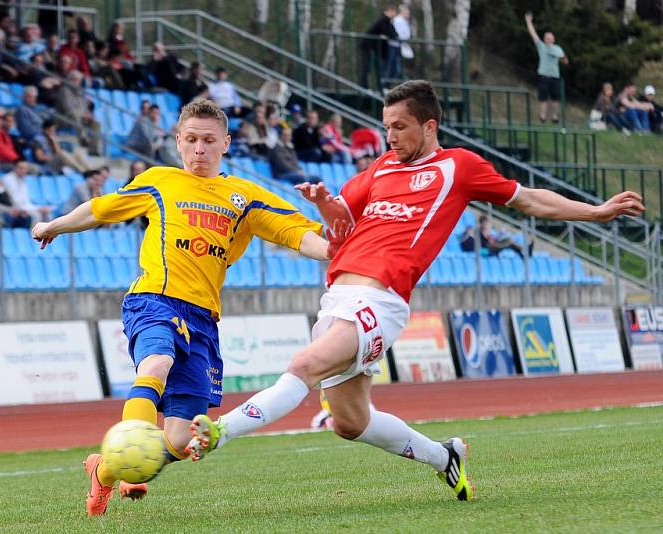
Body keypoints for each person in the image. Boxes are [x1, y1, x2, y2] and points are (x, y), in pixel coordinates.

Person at [185, 80, 645, 502]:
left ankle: (219, 431)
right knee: (350, 422)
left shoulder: (458, 166)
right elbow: (342, 223)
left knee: (304, 366)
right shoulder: (382, 167)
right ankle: (445, 457)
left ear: (429, 125)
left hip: (379, 300)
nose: (391, 137)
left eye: (400, 127)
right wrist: (326, 204)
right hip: (337, 298)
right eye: (386, 127)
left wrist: (594, 212)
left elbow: (527, 198)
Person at [30, 99, 348, 516]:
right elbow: (100, 208)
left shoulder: (245, 197)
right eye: (192, 140)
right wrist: (52, 225)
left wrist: (333, 249)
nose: (200, 149)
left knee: (182, 441)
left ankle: (104, 471)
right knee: (157, 361)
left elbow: (295, 232)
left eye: (209, 141)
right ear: (179, 142)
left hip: (203, 319)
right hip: (153, 300)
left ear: (226, 144)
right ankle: (133, 458)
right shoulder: (160, 181)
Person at [525, 12, 568, 123]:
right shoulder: (541, 47)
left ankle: (555, 117)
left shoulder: (557, 48)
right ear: (544, 39)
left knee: (556, 98)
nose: (548, 40)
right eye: (546, 38)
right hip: (544, 77)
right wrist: (528, 21)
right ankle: (542, 117)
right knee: (542, 98)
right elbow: (533, 34)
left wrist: (562, 58)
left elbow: (565, 61)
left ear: (553, 40)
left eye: (550, 39)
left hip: (555, 77)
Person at [1, 159, 53, 225]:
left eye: (25, 168)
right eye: (20, 168)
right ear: (14, 168)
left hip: (24, 207)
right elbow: (16, 202)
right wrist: (37, 209)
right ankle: (34, 235)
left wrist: (38, 208)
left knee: (47, 214)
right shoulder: (8, 179)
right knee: (36, 215)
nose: (23, 171)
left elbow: (26, 201)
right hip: (13, 208)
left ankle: (48, 235)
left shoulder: (23, 180)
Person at [358, 6, 398, 89]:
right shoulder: (382, 21)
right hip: (367, 47)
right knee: (366, 67)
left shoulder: (389, 22)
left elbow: (394, 35)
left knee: (378, 68)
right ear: (387, 12)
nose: (395, 14)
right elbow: (391, 34)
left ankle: (379, 88)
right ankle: (364, 87)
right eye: (393, 11)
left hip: (376, 49)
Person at [460, 215, 530, 257]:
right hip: (488, 249)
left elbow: (490, 240)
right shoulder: (478, 231)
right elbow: (485, 243)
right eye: (486, 223)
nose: (487, 225)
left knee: (508, 241)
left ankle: (523, 251)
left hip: (491, 247)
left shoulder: (483, 232)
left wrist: (499, 234)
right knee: (508, 241)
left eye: (487, 223)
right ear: (482, 223)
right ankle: (524, 250)